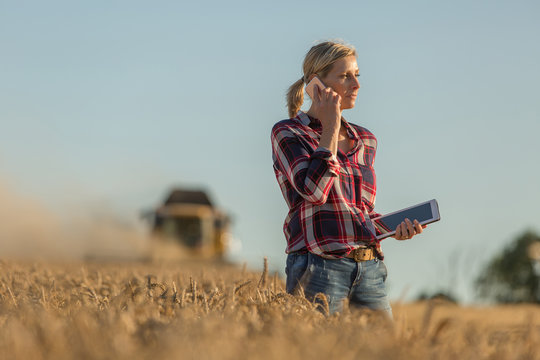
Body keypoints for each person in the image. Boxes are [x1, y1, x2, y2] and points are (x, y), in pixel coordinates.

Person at [270, 41, 425, 317]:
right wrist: (331, 126)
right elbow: (315, 192)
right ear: (317, 83)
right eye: (345, 76)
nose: (356, 84)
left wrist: (393, 229)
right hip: (318, 269)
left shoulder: (366, 140)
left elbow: (358, 212)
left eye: (357, 75)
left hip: (370, 270)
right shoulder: (288, 133)